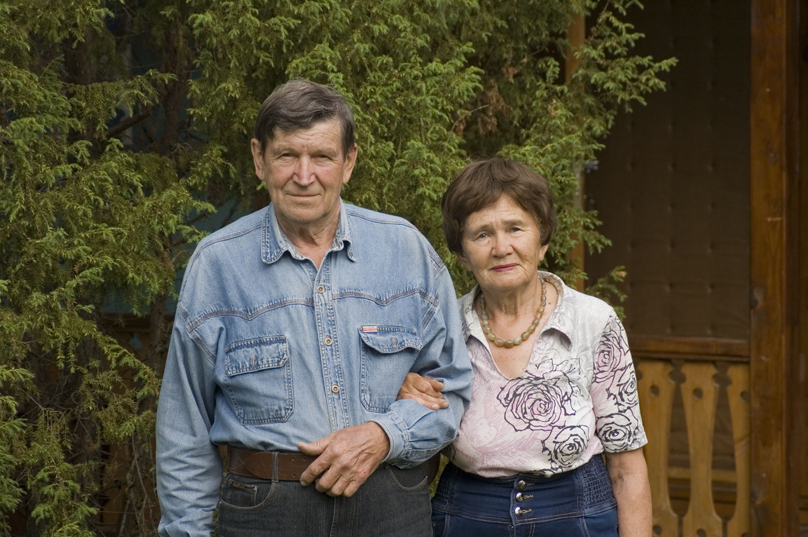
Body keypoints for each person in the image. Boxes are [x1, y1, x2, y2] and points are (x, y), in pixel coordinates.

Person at [155, 79, 472, 537]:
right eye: (287, 156)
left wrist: (383, 435)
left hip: (391, 505)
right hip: (266, 510)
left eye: (322, 157)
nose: (304, 176)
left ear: (348, 163)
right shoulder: (218, 264)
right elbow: (184, 427)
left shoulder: (404, 250)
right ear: (259, 159)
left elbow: (453, 388)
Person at [399, 158, 652, 537]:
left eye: (515, 228)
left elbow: (627, 467)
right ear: (462, 254)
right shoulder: (440, 328)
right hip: (467, 519)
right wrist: (406, 403)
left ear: (542, 240)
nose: (501, 247)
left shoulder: (593, 322)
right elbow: (421, 462)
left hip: (578, 517)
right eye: (482, 234)